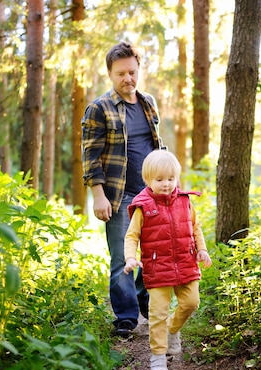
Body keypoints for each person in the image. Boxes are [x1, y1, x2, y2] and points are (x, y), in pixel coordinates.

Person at [82, 41, 166, 338]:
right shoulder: (99, 108)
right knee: (122, 259)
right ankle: (126, 319)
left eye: (131, 72)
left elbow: (156, 147)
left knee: (153, 254)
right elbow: (90, 156)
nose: (127, 78)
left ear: (138, 69)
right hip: (119, 196)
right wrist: (98, 195)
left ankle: (147, 306)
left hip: (151, 194)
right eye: (120, 74)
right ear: (110, 74)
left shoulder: (148, 103)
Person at [123, 150, 212, 370]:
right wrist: (130, 257)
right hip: (157, 266)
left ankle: (173, 330)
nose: (166, 184)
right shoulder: (143, 206)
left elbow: (195, 228)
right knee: (158, 312)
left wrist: (202, 250)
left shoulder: (185, 201)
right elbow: (132, 236)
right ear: (148, 180)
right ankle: (158, 354)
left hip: (185, 262)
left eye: (171, 179)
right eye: (160, 180)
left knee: (191, 302)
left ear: (177, 179)